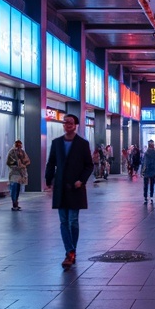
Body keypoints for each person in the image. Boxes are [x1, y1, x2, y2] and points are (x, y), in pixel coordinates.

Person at [45, 114, 95, 270]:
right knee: (63, 221)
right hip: (60, 187)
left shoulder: (82, 144)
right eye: (65, 122)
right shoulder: (56, 143)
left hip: (76, 187)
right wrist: (49, 181)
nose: (67, 125)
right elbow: (51, 163)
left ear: (76, 125)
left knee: (73, 220)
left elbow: (89, 165)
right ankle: (70, 251)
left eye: (70, 123)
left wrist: (82, 180)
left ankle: (71, 251)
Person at [6, 140, 30, 210]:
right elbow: (9, 162)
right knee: (14, 188)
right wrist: (18, 165)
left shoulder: (22, 152)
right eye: (18, 145)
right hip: (14, 173)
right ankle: (14, 203)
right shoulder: (11, 152)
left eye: (20, 145)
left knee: (17, 189)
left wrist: (23, 165)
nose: (19, 147)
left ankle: (16, 202)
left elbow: (27, 161)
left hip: (20, 174)